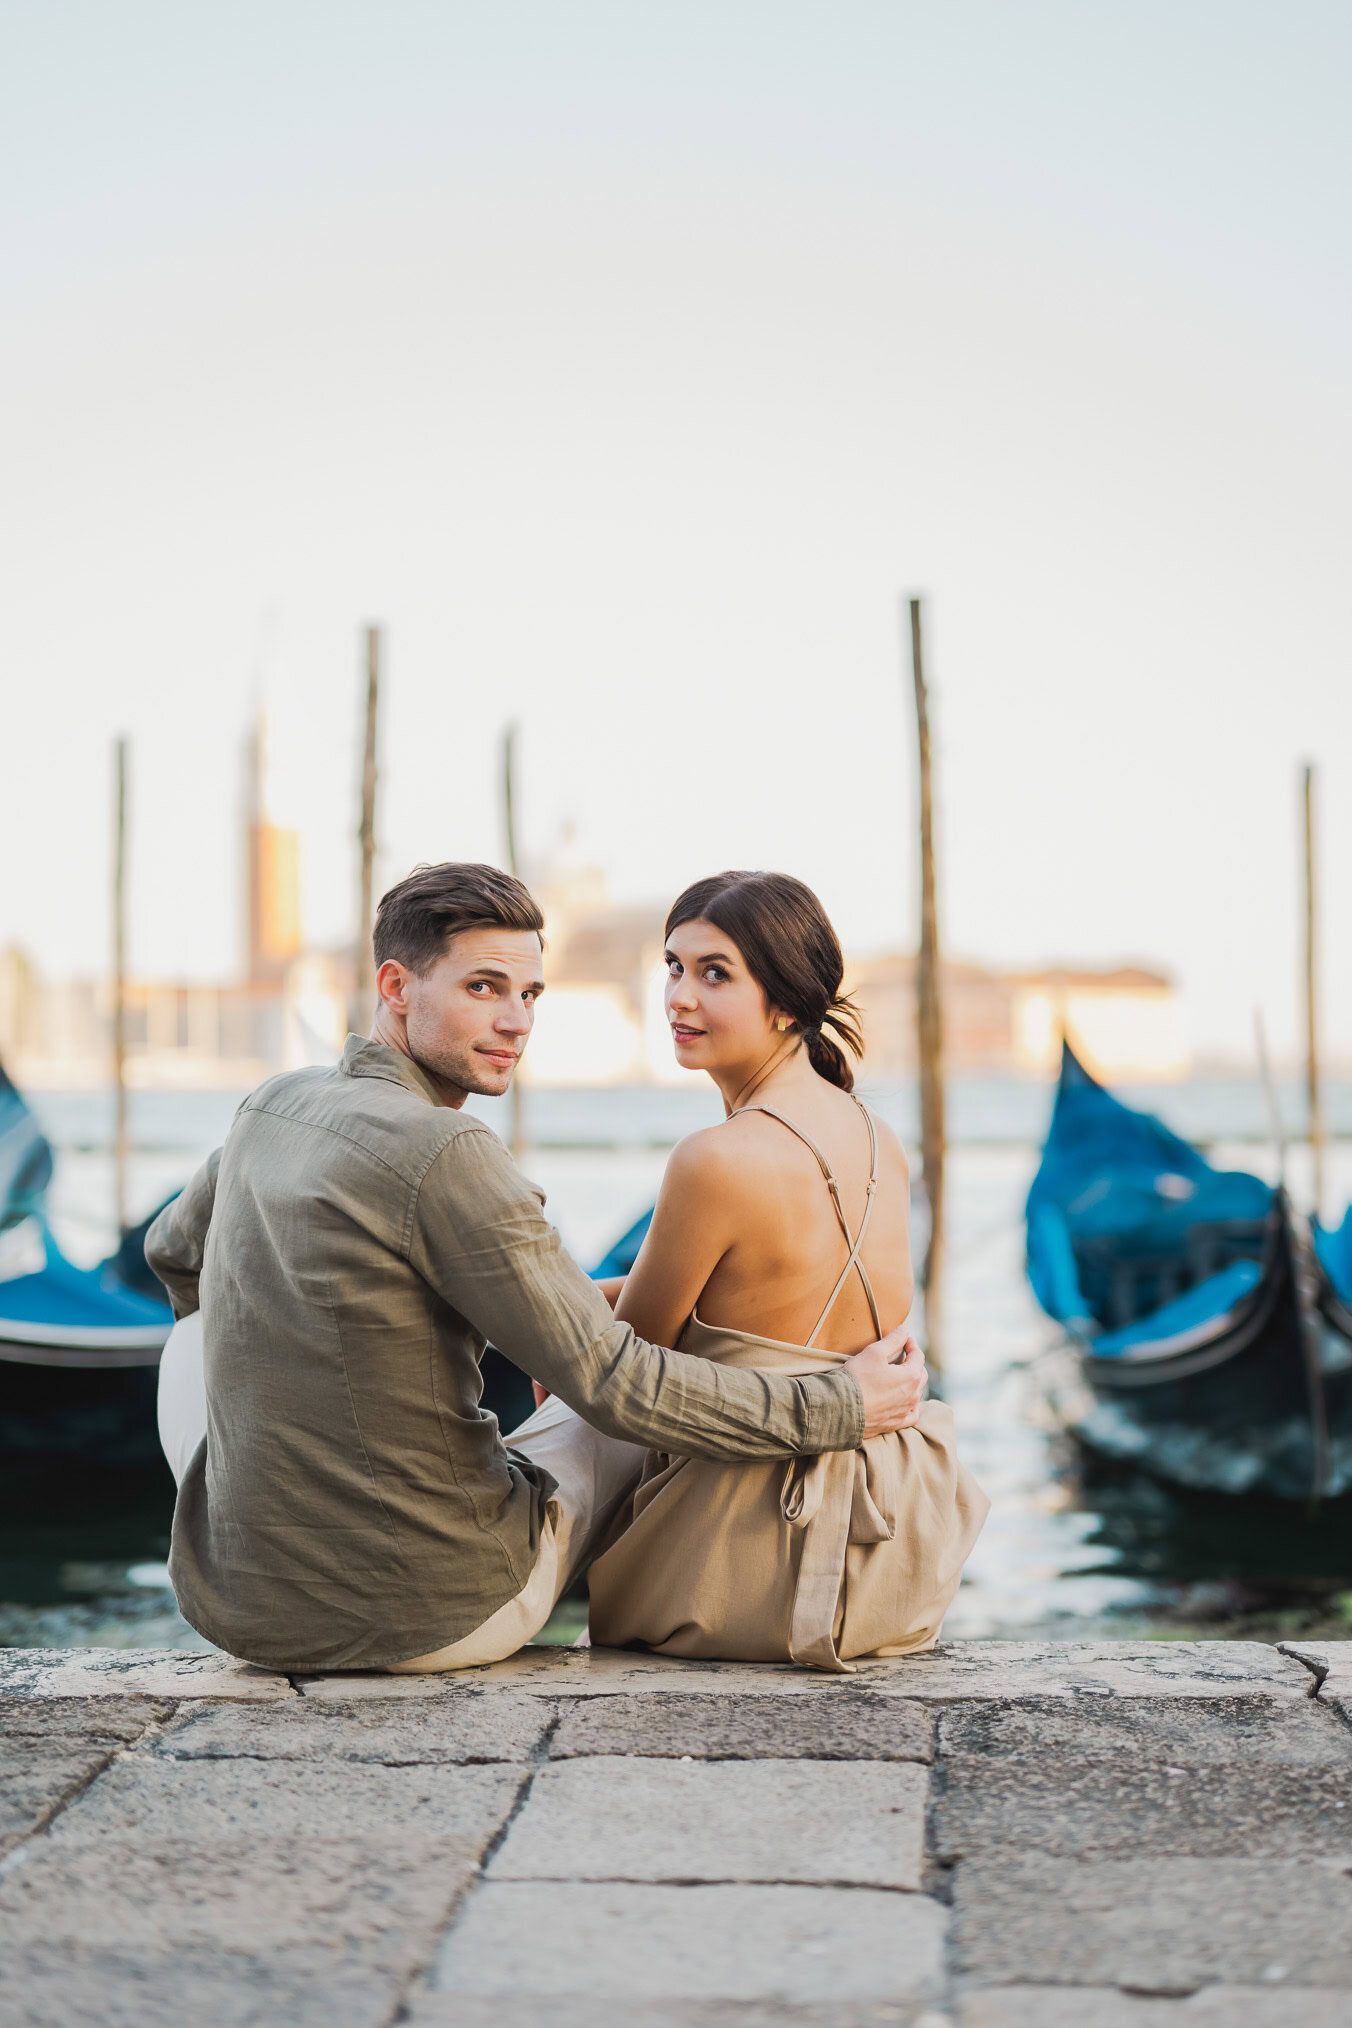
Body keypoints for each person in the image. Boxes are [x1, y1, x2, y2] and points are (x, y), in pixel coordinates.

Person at [147, 861, 928, 1675]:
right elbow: (618, 1386)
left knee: (196, 1337)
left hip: (236, 1602)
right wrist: (839, 1405)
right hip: (434, 1613)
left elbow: (174, 1256)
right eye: (484, 988)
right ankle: (682, 1593)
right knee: (610, 1407)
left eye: (530, 995)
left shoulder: (270, 1105)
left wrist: (276, 1384)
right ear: (396, 985)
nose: (516, 1022)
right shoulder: (450, 1150)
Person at [576, 869, 988, 1671]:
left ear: (789, 1003)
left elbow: (615, 1380)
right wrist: (600, 1295)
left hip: (743, 1565)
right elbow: (768, 1303)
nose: (679, 998)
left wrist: (551, 1331)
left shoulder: (715, 1161)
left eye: (715, 974)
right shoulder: (879, 1137)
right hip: (887, 1569)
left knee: (557, 1423)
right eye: (673, 966)